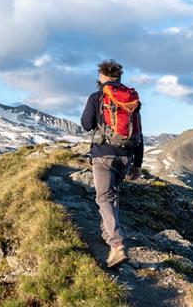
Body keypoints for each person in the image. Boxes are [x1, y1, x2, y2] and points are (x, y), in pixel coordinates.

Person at [81, 59, 143, 268]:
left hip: (104, 154)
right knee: (112, 195)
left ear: (101, 77)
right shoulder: (131, 99)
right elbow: (140, 133)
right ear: (119, 76)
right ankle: (108, 235)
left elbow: (86, 124)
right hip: (126, 156)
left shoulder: (97, 97)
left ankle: (117, 245)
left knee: (104, 197)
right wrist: (137, 164)